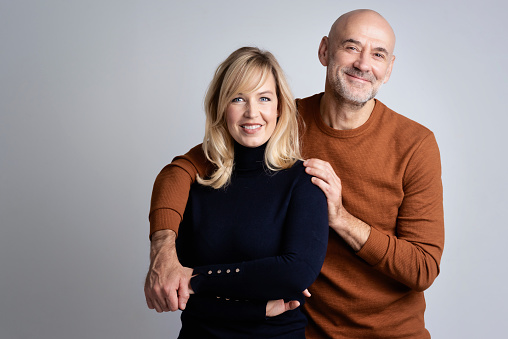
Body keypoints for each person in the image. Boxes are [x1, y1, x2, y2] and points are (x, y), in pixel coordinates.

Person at [145, 9, 445, 338]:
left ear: (388, 69)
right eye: (351, 46)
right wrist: (163, 250)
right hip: (302, 330)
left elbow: (423, 268)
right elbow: (182, 169)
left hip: (391, 334)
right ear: (324, 51)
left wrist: (342, 218)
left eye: (378, 54)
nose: (363, 63)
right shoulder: (281, 121)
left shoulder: (415, 144)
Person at [145, 47, 329, 338]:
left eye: (264, 98)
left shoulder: (303, 182)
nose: (252, 112)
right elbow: (179, 297)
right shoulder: (197, 183)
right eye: (238, 98)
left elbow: (296, 273)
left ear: (279, 107)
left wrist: (194, 279)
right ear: (221, 106)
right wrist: (254, 309)